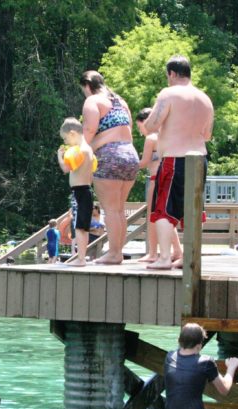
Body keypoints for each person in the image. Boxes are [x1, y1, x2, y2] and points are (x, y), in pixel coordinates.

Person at [144, 55, 214, 270]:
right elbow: (207, 135)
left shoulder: (169, 93)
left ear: (172, 74)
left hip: (175, 159)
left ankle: (164, 258)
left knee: (164, 210)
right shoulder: (205, 99)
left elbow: (151, 125)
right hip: (199, 159)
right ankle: (190, 257)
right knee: (192, 210)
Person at [80, 70, 140, 264]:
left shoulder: (93, 101)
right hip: (130, 154)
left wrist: (80, 149)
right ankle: (117, 252)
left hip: (110, 156)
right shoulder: (120, 102)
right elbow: (127, 129)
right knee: (119, 209)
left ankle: (114, 253)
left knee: (111, 210)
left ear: (87, 86)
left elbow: (89, 129)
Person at [135, 108, 182, 263]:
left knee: (154, 216)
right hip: (167, 177)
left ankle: (153, 252)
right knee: (166, 216)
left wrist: (125, 163)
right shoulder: (166, 135)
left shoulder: (151, 138)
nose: (139, 130)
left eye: (139, 125)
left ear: (146, 122)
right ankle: (177, 250)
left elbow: (143, 163)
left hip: (156, 179)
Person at [57, 117, 95, 267]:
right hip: (87, 190)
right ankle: (82, 257)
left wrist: (59, 156)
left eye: (66, 138)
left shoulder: (80, 150)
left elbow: (66, 169)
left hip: (79, 192)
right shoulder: (89, 149)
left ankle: (80, 259)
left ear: (72, 133)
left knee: (79, 227)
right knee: (83, 227)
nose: (66, 142)